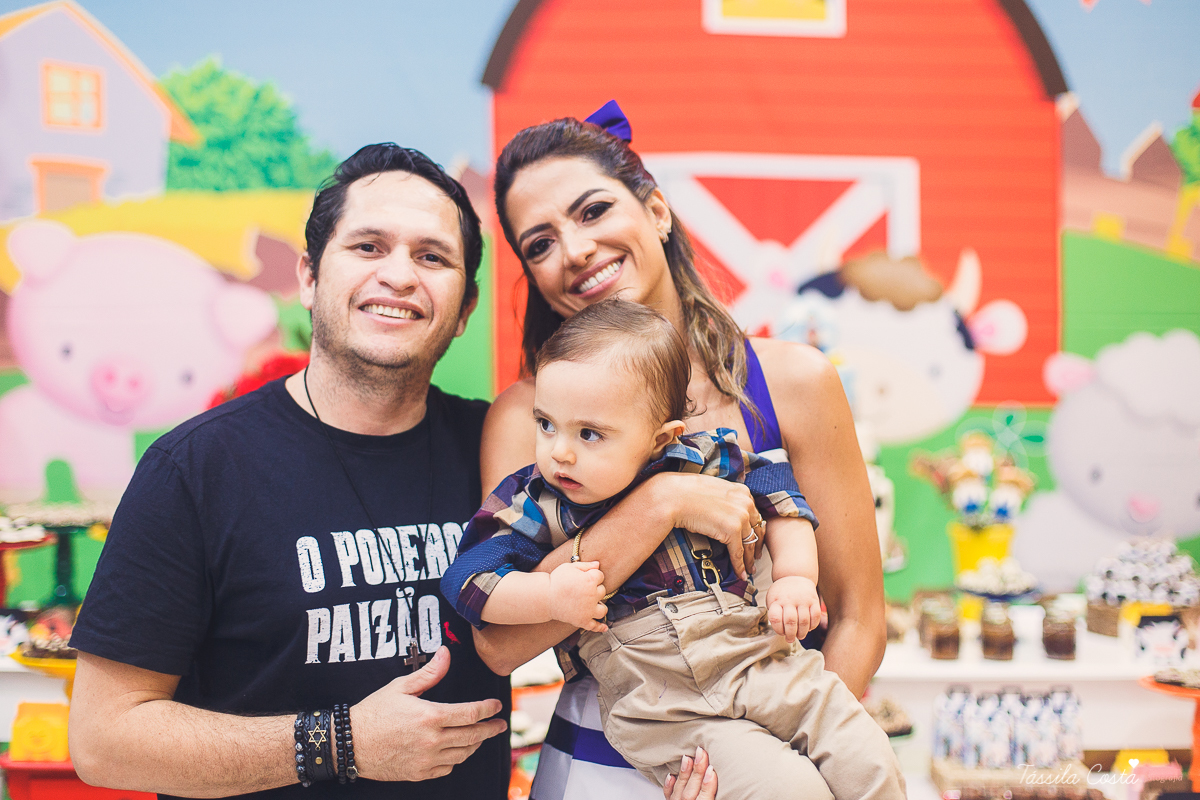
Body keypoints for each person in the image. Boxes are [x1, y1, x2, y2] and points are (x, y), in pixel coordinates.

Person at [67, 144, 511, 799]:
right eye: (367, 246)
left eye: (432, 256)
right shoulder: (195, 470)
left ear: (466, 306)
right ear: (308, 276)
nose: (399, 275)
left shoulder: (497, 449)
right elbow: (104, 743)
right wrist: (342, 743)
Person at [471, 108, 888, 800]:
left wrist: (775, 769)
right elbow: (502, 644)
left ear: (657, 210)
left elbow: (857, 614)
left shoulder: (791, 382)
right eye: (540, 243)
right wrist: (663, 504)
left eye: (593, 210)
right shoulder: (525, 420)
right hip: (601, 767)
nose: (573, 250)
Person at [442, 299, 904, 799]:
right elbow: (469, 581)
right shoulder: (533, 501)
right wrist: (550, 596)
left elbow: (780, 493)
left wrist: (794, 575)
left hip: (753, 657)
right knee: (791, 789)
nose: (560, 451)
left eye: (590, 433)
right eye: (546, 424)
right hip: (660, 700)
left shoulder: (704, 459)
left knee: (867, 758)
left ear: (660, 438)